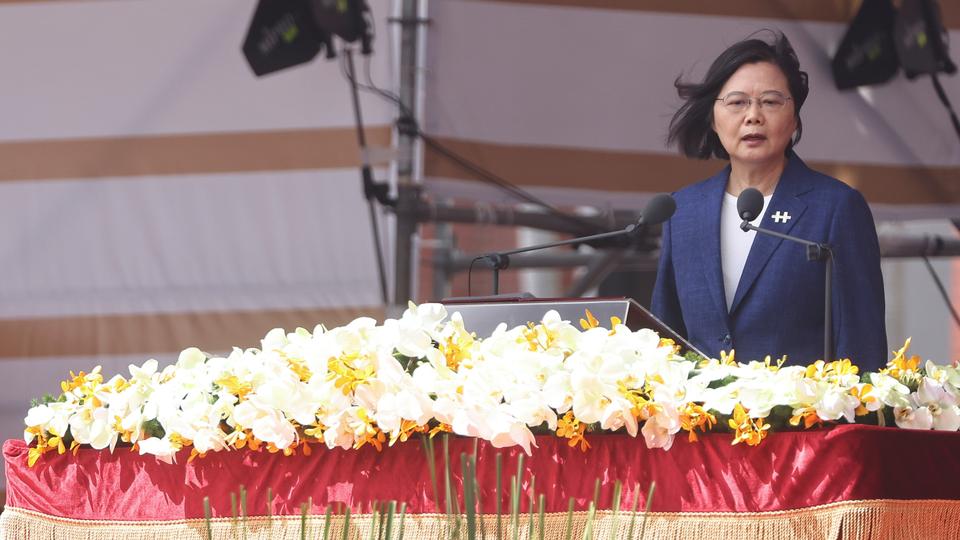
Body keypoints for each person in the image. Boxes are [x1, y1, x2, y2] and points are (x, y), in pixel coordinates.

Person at [651, 32, 888, 371]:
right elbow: (664, 340)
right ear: (713, 119)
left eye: (771, 101)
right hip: (702, 422)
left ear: (794, 119)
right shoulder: (683, 211)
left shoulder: (835, 208)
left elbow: (862, 346)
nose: (753, 116)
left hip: (803, 422)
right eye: (736, 102)